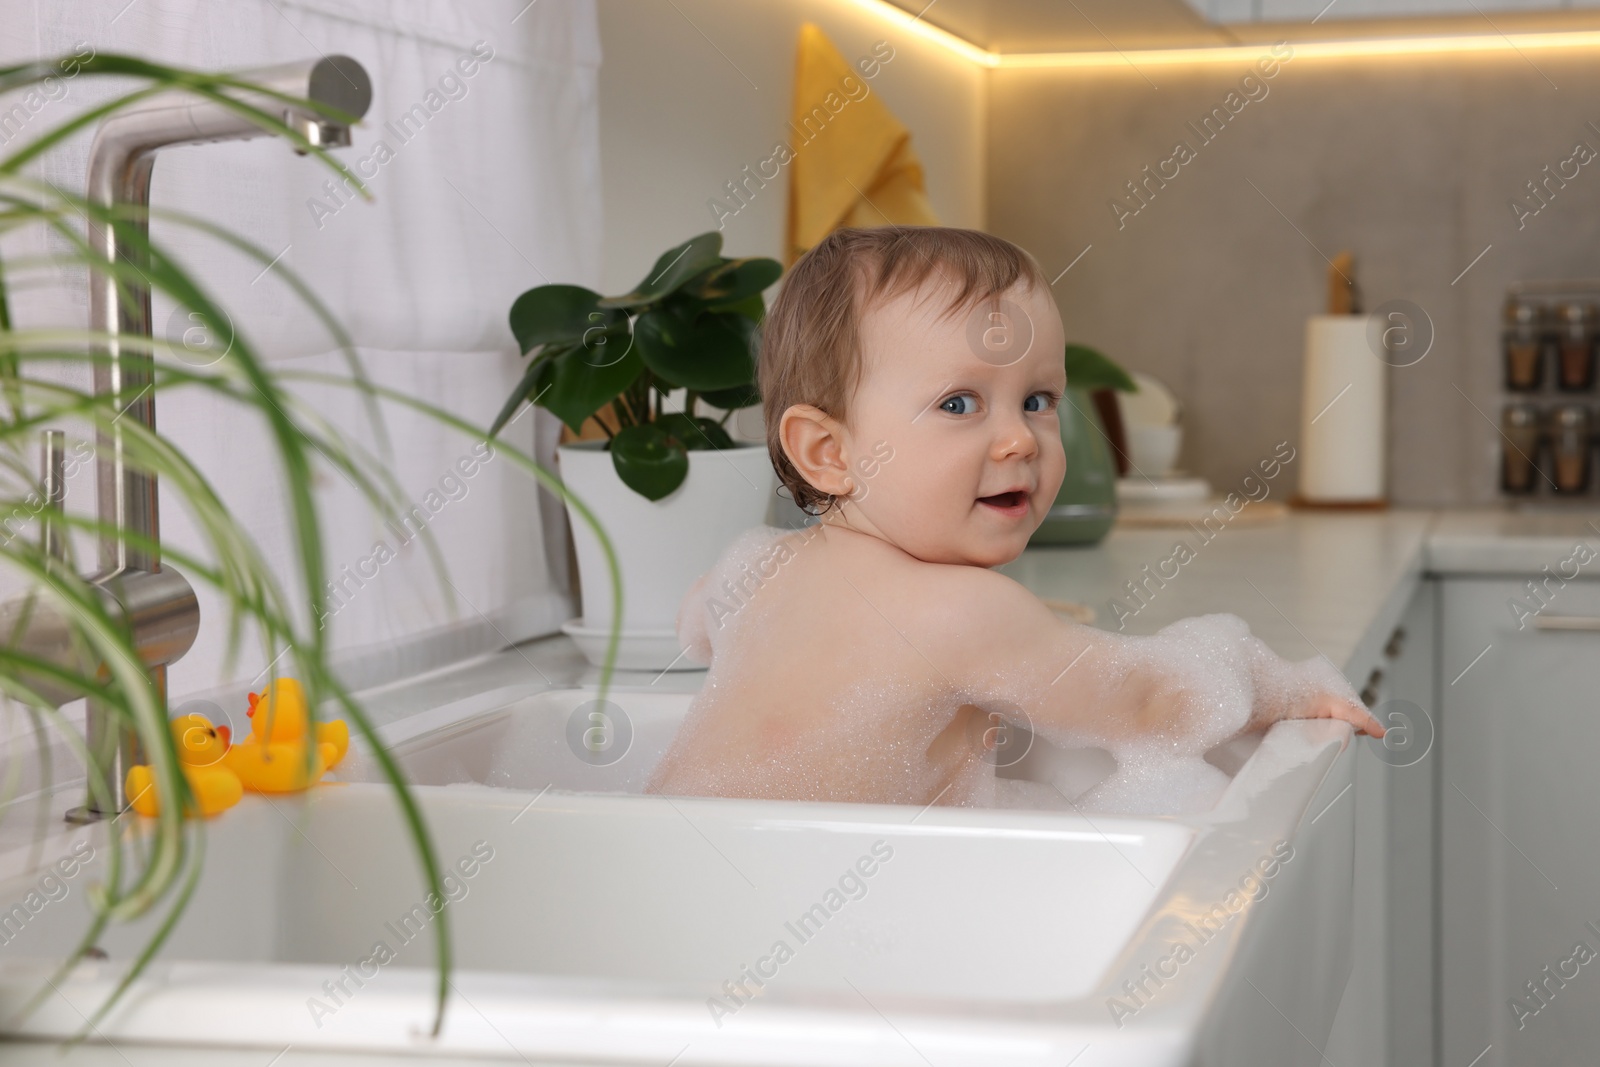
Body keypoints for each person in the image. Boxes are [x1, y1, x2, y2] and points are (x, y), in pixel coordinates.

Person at [646, 226, 1381, 808]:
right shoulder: (965, 613)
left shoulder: (758, 566)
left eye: (1038, 400)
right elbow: (1152, 701)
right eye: (959, 403)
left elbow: (699, 616)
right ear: (828, 452)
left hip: (681, 877)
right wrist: (1284, 685)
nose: (1019, 438)